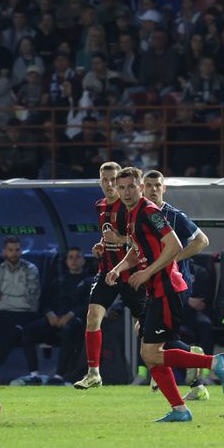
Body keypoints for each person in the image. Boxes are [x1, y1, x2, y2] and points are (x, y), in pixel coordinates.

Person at [105, 167, 224, 422]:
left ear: (140, 188)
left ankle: (212, 363)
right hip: (157, 290)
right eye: (122, 188)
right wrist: (119, 268)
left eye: (132, 187)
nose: (127, 192)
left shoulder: (150, 212)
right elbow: (137, 250)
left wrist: (147, 272)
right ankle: (180, 409)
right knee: (151, 353)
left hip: (168, 288)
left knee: (151, 353)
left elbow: (174, 245)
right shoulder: (131, 214)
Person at [74, 162, 148, 390]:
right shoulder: (100, 206)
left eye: (113, 180)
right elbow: (109, 234)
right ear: (99, 182)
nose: (109, 184)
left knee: (144, 328)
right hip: (107, 273)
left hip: (133, 274)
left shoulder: (132, 207)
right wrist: (102, 245)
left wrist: (120, 240)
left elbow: (143, 240)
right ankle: (93, 373)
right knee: (92, 318)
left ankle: (158, 369)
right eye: (104, 180)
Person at [142, 170, 211, 400]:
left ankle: (188, 360)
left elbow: (202, 240)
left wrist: (173, 258)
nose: (153, 189)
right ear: (142, 188)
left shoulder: (173, 216)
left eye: (157, 185)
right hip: (152, 284)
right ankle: (193, 381)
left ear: (164, 189)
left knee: (157, 335)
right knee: (148, 332)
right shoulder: (139, 215)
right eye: (149, 185)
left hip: (173, 284)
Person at [21, 247, 92, 383]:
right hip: (53, 318)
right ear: (66, 261)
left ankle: (59, 376)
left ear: (83, 261)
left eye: (78, 257)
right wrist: (50, 314)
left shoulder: (90, 281)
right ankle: (34, 375)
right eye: (70, 257)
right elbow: (44, 301)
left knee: (69, 330)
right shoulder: (57, 281)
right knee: (28, 331)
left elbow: (88, 304)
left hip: (76, 320)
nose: (74, 260)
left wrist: (70, 315)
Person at [0, 235, 41, 373]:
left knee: (11, 334)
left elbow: (31, 300)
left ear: (21, 250)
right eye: (10, 250)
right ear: (4, 251)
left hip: (25, 315)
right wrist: (18, 299)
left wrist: (5, 299)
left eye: (17, 250)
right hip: (3, 315)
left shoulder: (31, 269)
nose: (14, 253)